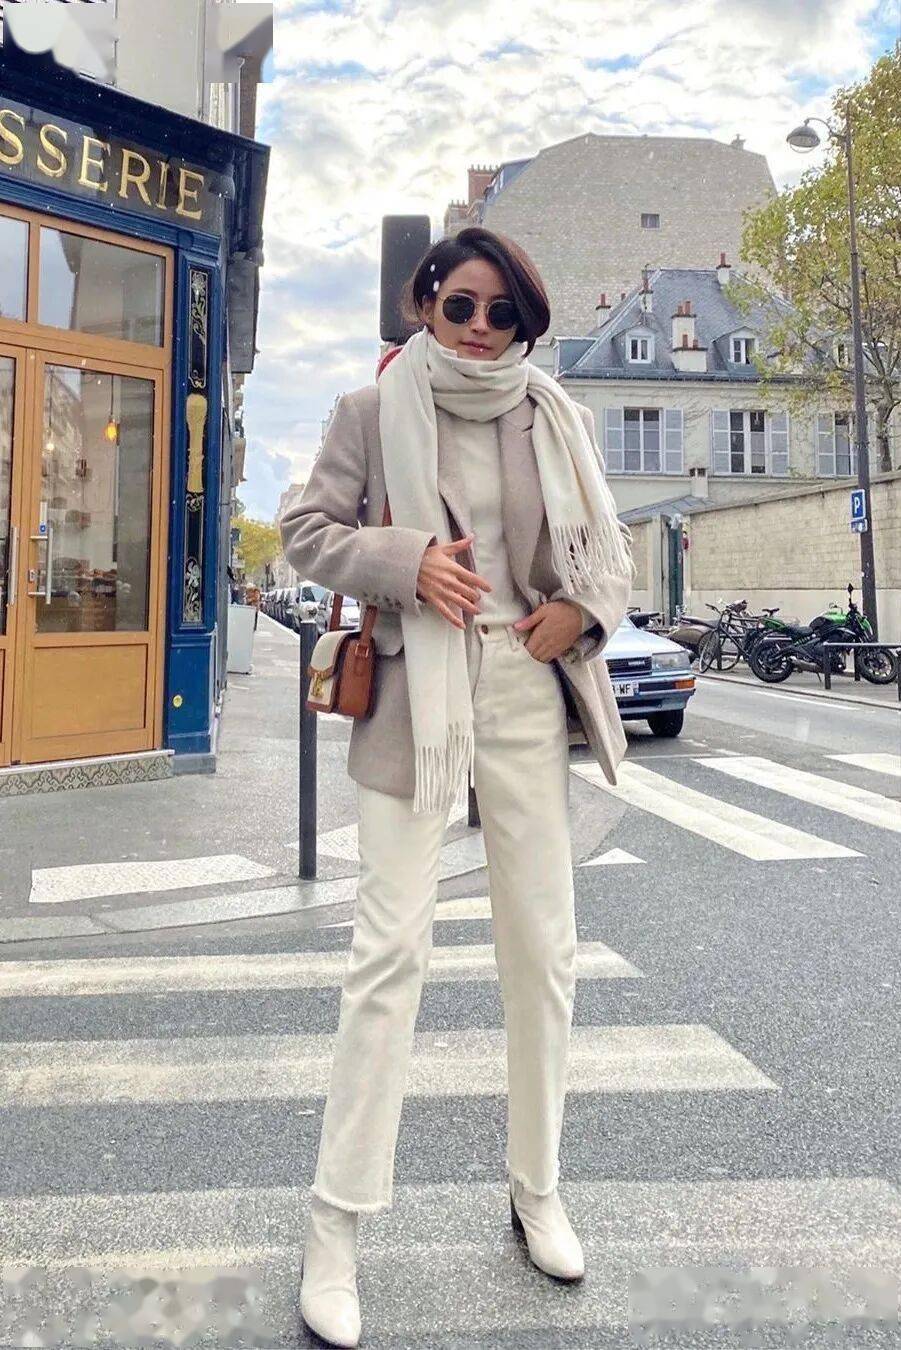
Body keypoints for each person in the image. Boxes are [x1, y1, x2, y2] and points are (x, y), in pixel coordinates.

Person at [279, 226, 636, 1347]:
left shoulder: (554, 417)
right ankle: (335, 1228)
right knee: (388, 953)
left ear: (525, 325)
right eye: (462, 305)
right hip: (413, 698)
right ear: (424, 301)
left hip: (524, 687)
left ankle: (537, 1190)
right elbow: (304, 531)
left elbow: (607, 559)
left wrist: (580, 614)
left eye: (503, 314)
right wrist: (404, 562)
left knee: (544, 952)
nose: (481, 330)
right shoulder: (367, 411)